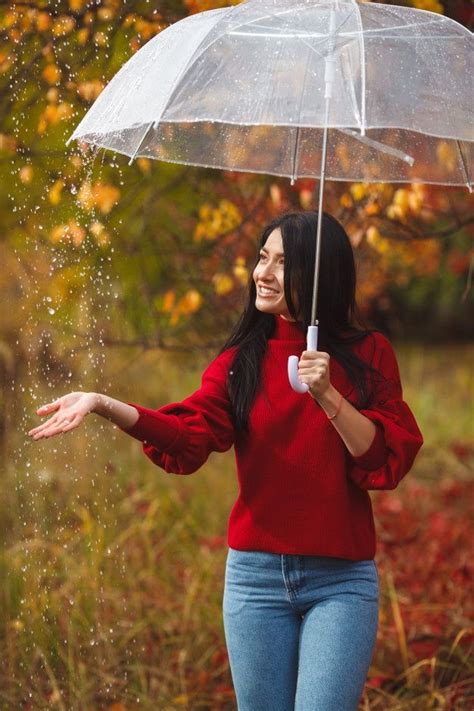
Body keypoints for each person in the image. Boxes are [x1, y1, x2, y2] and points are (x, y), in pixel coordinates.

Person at [28, 210, 423, 711]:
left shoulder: (369, 355)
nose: (264, 273)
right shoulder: (242, 361)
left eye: (283, 262)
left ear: (321, 275)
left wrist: (328, 395)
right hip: (255, 582)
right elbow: (187, 435)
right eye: (262, 258)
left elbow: (383, 462)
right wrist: (105, 404)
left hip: (340, 582)